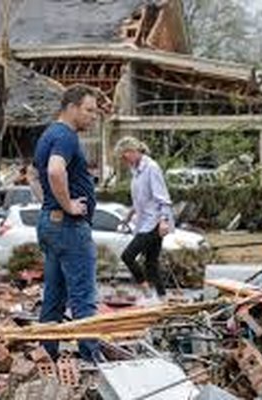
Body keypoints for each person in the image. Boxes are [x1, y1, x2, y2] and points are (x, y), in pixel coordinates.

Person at [32, 83, 101, 362]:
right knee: (83, 297)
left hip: (51, 225)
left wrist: (50, 205)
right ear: (71, 108)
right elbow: (54, 170)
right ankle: (91, 362)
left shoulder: (48, 134)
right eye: (89, 110)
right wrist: (67, 204)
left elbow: (33, 175)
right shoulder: (66, 136)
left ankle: (45, 357)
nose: (93, 117)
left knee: (54, 298)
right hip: (69, 229)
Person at [114, 136, 174, 302]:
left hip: (154, 222)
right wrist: (129, 215)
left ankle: (146, 290)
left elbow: (162, 197)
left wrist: (164, 221)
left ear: (132, 151)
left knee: (128, 256)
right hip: (145, 220)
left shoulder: (151, 168)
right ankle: (162, 298)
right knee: (151, 263)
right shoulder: (136, 170)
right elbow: (141, 199)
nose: (124, 161)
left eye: (125, 156)